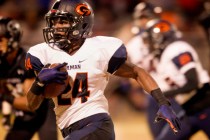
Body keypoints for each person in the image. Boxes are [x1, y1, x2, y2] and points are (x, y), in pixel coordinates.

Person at [25, 0, 181, 139]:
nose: (57, 27)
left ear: (81, 24)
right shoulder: (43, 54)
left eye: (63, 22)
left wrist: (163, 103)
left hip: (97, 125)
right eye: (55, 22)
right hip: (68, 128)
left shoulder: (99, 49)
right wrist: (38, 83)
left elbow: (137, 72)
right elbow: (32, 105)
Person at [141, 18, 210, 140]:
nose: (149, 44)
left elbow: (193, 82)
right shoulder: (164, 58)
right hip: (190, 110)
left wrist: (164, 95)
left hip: (205, 105)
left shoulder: (177, 48)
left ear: (159, 38)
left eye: (151, 40)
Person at [0, 17, 57, 140]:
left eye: (0, 40)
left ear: (12, 39)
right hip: (23, 114)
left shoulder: (27, 60)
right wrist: (6, 112)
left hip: (42, 111)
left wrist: (5, 98)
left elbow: (29, 103)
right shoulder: (2, 63)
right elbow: (4, 89)